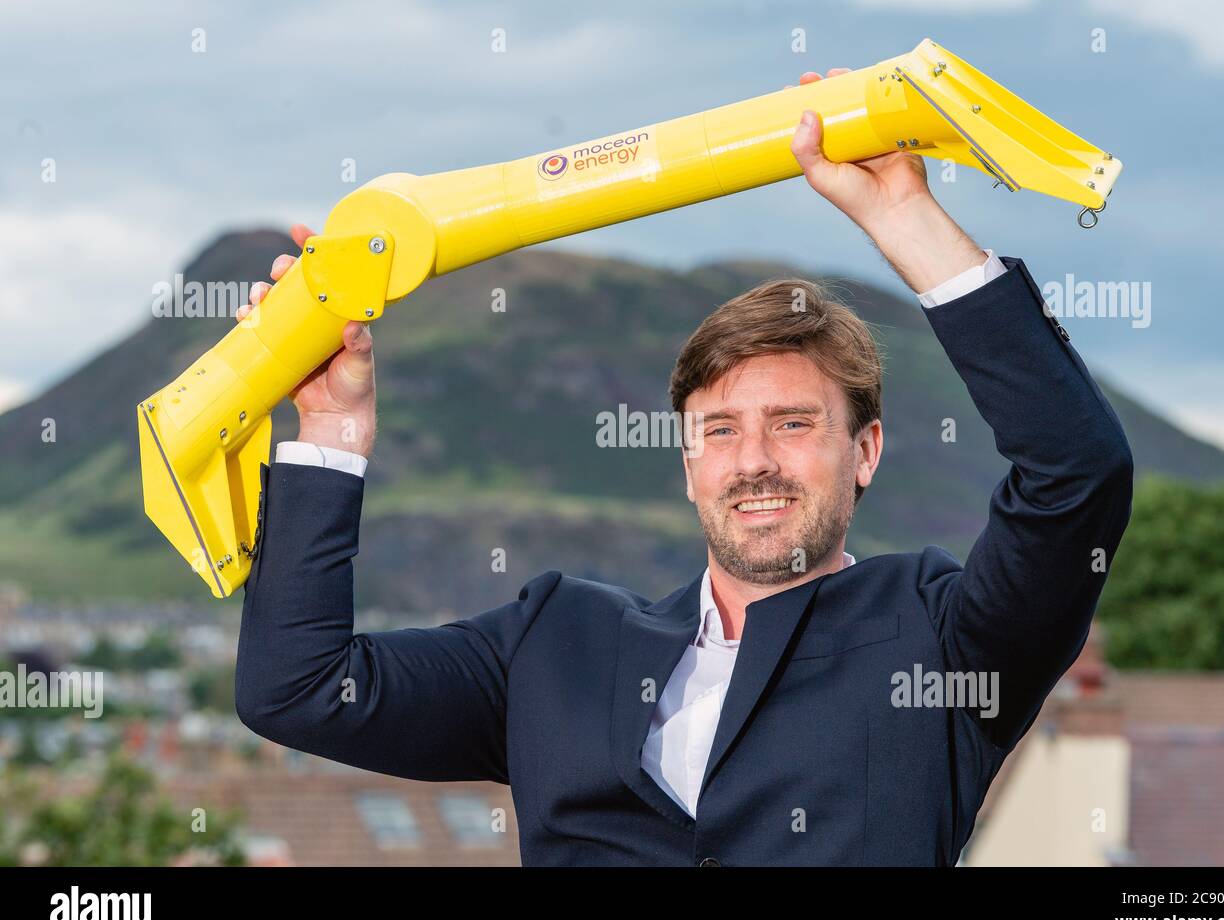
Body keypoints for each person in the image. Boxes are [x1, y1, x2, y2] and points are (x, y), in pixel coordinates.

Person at [234, 69, 1133, 866]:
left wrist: (903, 217)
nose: (754, 463)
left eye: (792, 424)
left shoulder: (946, 640)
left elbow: (1077, 472)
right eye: (721, 430)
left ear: (865, 452)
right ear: (686, 460)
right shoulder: (554, 643)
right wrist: (330, 423)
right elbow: (300, 691)